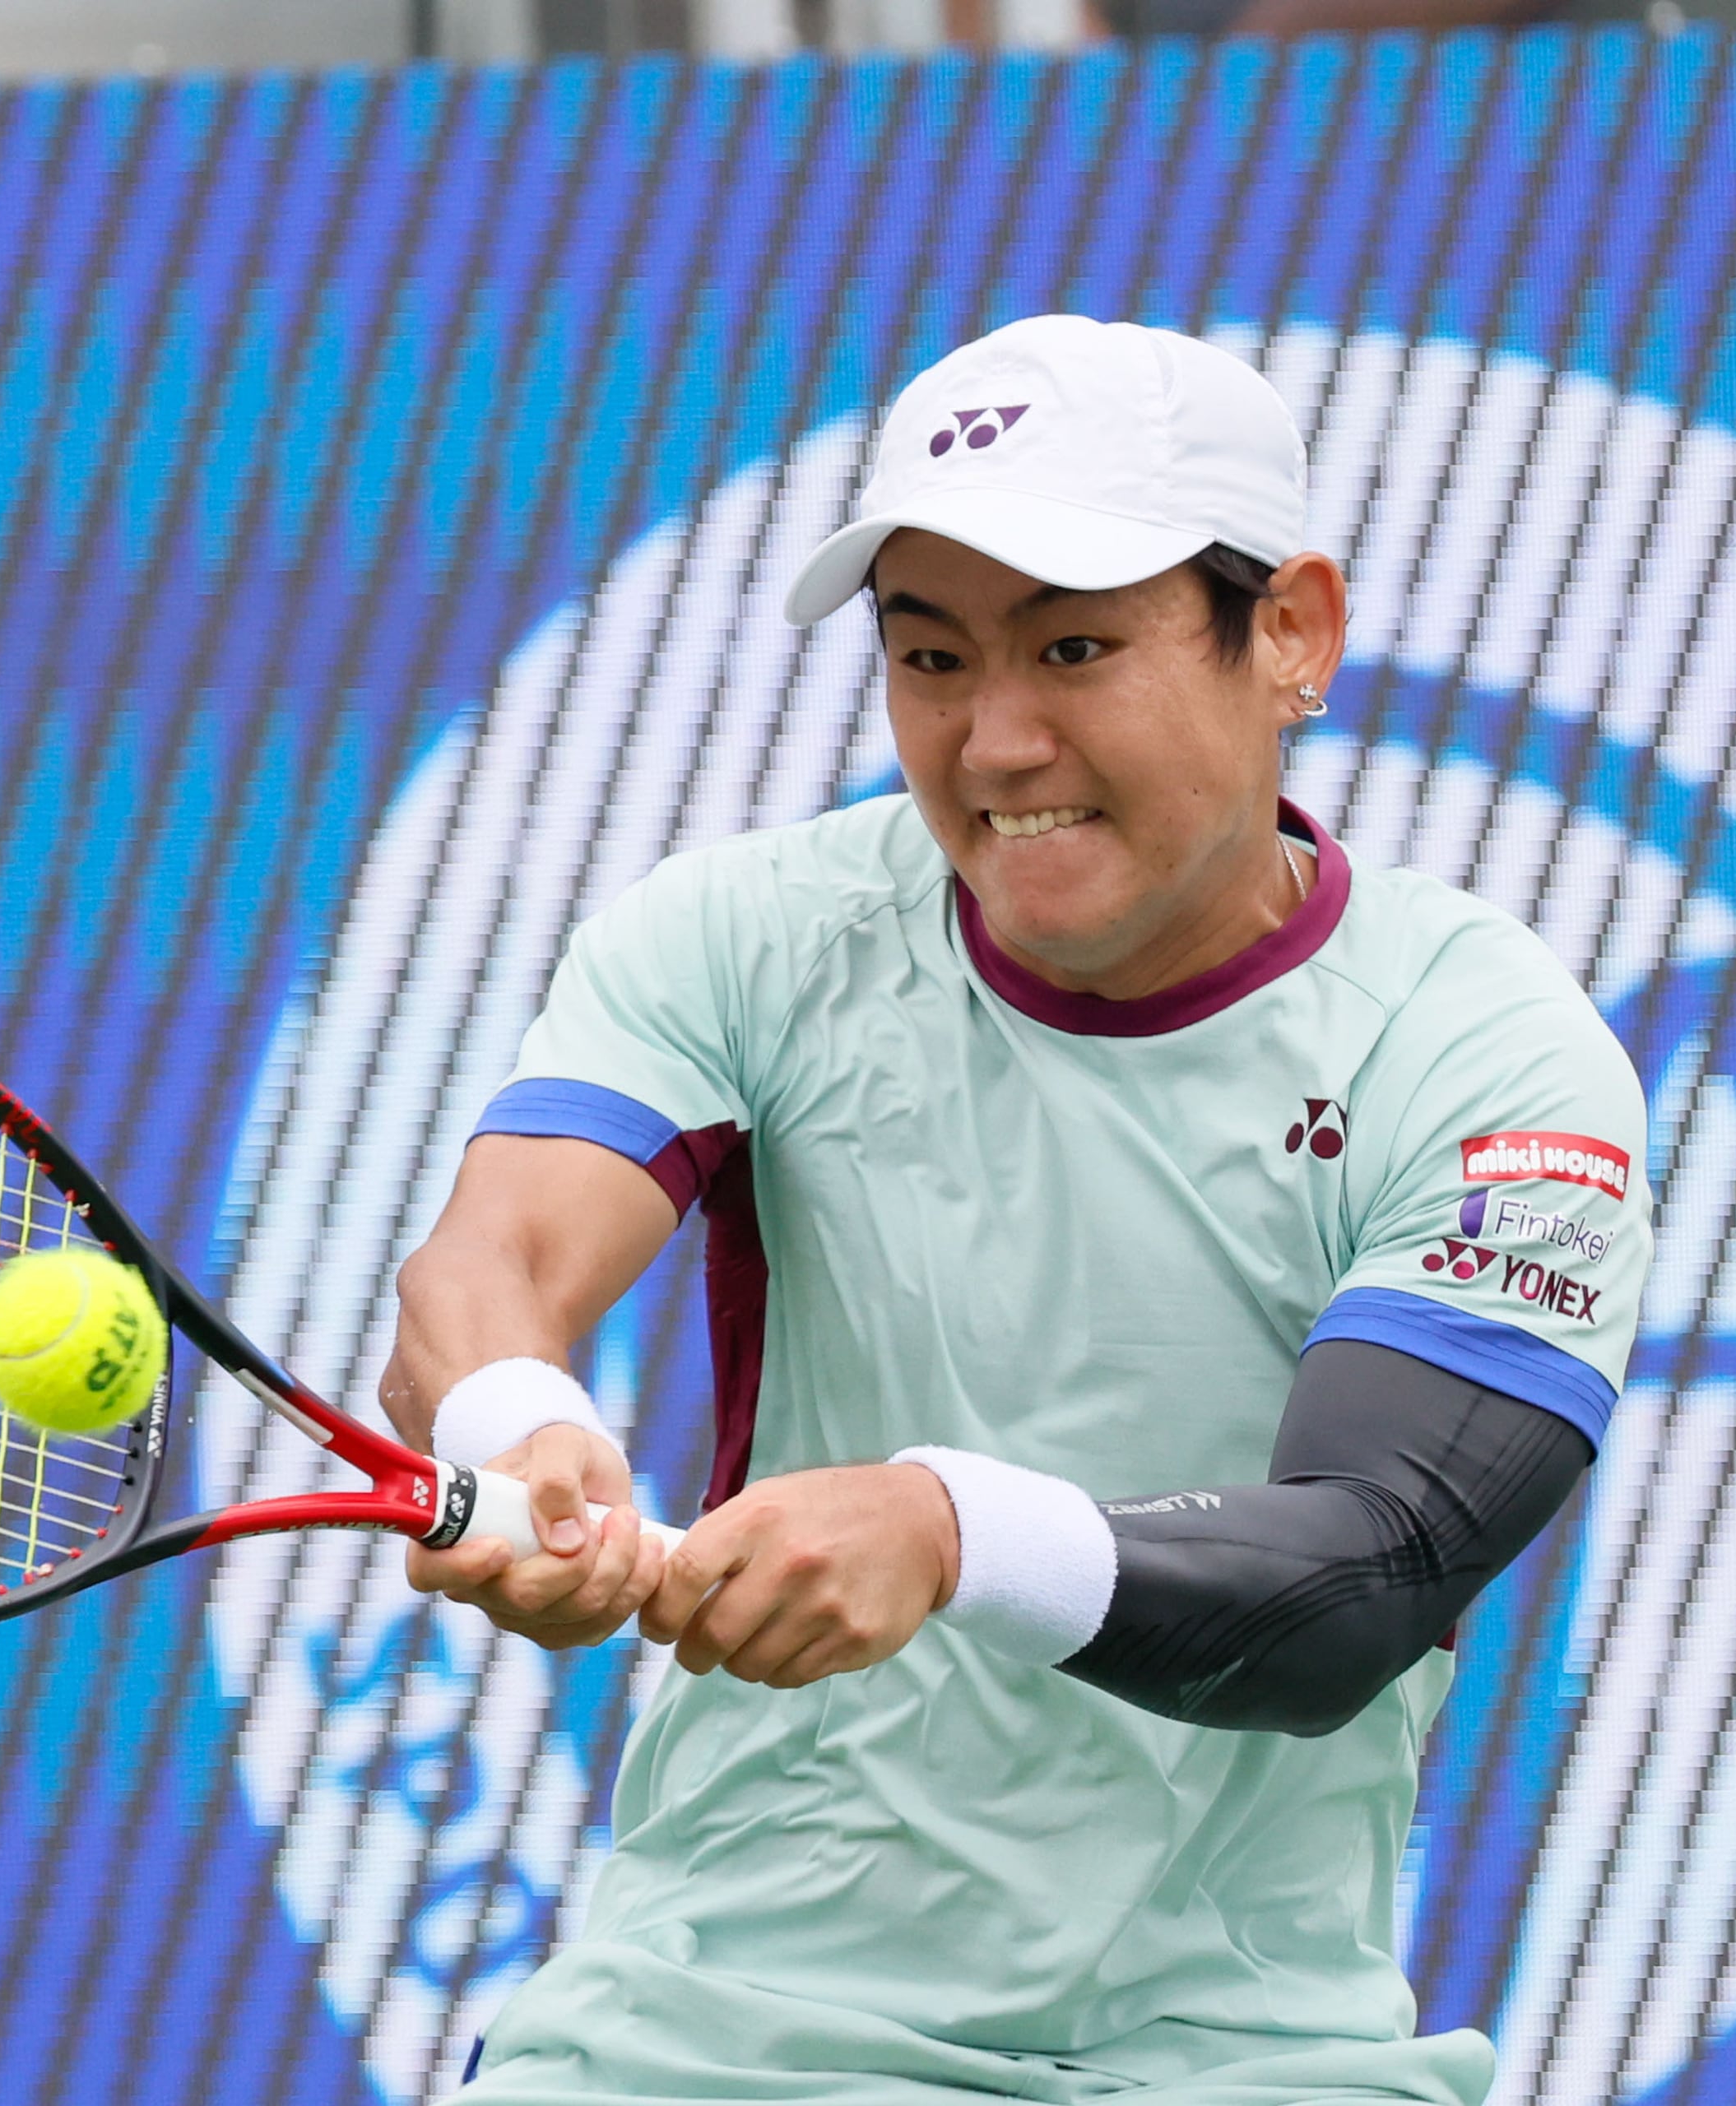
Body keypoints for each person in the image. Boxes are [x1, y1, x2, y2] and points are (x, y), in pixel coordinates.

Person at [380, 313, 1653, 2104]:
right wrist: (524, 1422)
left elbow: (1370, 1561)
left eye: (1074, 645)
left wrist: (952, 1530)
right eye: (929, 657)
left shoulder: (1487, 1048)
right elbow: (490, 1259)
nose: (994, 738)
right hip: (717, 2029)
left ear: (1289, 632)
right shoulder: (742, 930)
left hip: (1250, 2053)